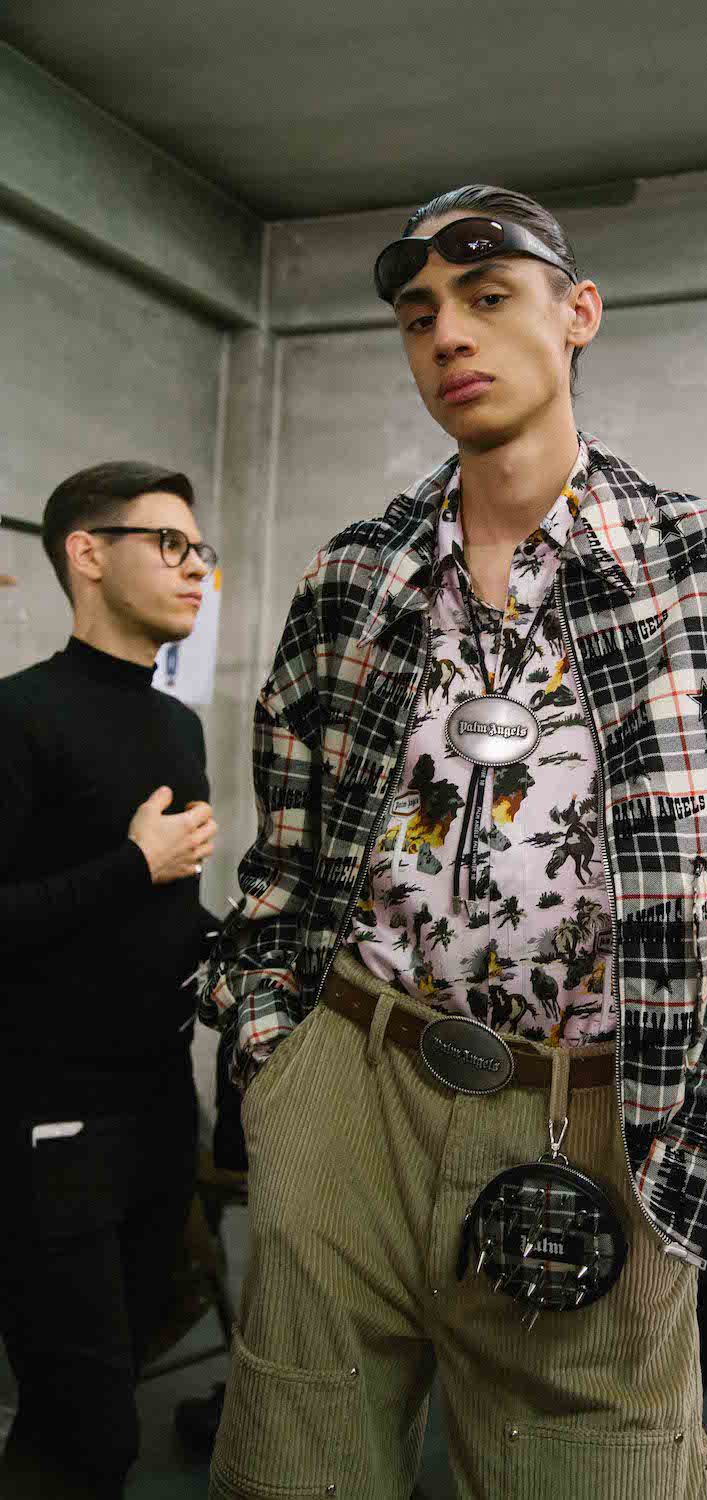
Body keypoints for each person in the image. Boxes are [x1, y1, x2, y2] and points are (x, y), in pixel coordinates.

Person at [201, 185, 707, 1500]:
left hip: (600, 1118)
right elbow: (283, 862)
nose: (448, 333)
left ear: (578, 315)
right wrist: (278, 1065)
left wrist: (698, 1162)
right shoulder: (354, 577)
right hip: (352, 1086)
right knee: (294, 1468)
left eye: (488, 296)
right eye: (418, 315)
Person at [0, 461, 219, 1499]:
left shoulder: (177, 727)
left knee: (118, 1381)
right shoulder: (20, 717)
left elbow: (162, 917)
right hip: (51, 1116)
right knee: (84, 1432)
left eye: (200, 549)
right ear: (87, 553)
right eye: (169, 544)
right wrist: (134, 864)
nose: (195, 568)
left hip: (161, 1104)